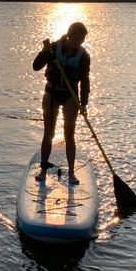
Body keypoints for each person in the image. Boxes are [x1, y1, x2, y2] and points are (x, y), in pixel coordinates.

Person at [33, 22, 90, 184]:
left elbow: (85, 82)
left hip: (70, 96)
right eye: (78, 39)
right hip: (51, 93)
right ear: (70, 36)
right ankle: (43, 171)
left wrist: (84, 103)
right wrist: (45, 54)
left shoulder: (83, 56)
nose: (79, 43)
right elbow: (35, 66)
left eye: (82, 40)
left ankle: (71, 173)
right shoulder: (53, 47)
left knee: (69, 135)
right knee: (48, 132)